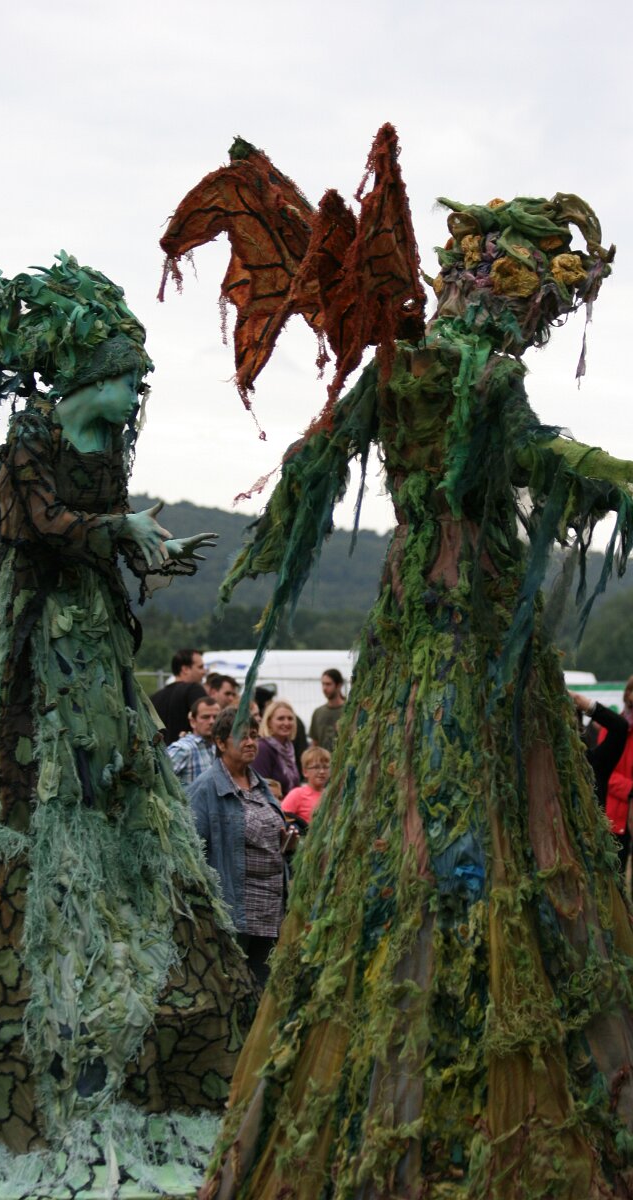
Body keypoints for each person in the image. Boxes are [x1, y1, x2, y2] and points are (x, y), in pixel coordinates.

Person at [163, 137, 633, 1196]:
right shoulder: (464, 377)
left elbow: (316, 462)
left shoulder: (399, 368)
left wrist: (281, 525)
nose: (527, 330)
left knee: (431, 824)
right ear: (499, 296)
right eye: (532, 309)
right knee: (459, 820)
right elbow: (536, 459)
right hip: (465, 638)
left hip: (433, 638)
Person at [0, 215, 254, 1199]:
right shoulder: (30, 442)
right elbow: (42, 523)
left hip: (93, 649)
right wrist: (119, 528)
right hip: (39, 660)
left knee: (111, 798)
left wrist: (145, 548)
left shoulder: (106, 446)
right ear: (87, 375)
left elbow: (93, 531)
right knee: (37, 803)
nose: (137, 391)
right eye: (126, 375)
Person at [188, 707, 295, 988]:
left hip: (270, 909)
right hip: (236, 913)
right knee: (236, 988)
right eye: (242, 737)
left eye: (254, 736)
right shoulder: (206, 789)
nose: (250, 743)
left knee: (263, 985)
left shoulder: (259, 784)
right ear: (221, 743)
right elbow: (191, 853)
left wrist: (287, 843)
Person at [594, 675, 633, 878]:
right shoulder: (614, 728)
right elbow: (604, 772)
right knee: (614, 874)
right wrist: (630, 789)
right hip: (616, 815)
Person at [150, 648, 207, 744]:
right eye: (200, 667)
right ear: (185, 669)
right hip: (188, 751)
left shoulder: (154, 698)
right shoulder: (194, 689)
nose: (204, 672)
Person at [166, 695, 220, 786]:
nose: (212, 722)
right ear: (193, 722)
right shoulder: (183, 748)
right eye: (205, 717)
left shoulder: (218, 747)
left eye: (216, 717)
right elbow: (159, 781)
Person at [251, 699, 300, 799]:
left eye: (290, 718)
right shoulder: (262, 748)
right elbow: (261, 788)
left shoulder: (289, 749)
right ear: (269, 722)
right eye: (281, 719)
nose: (286, 723)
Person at [281, 746, 331, 830]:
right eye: (316, 767)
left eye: (325, 767)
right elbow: (282, 817)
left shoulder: (332, 795)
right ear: (305, 772)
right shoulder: (297, 794)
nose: (322, 771)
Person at [308, 668, 346, 751]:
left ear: (338, 685)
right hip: (323, 758)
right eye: (323, 684)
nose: (324, 688)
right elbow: (315, 743)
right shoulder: (318, 712)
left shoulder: (348, 711)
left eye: (328, 684)